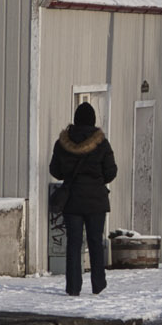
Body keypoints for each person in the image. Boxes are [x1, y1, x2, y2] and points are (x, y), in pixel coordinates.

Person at [50, 101, 117, 297]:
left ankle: (73, 287)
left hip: (72, 200)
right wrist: (97, 181)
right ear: (93, 121)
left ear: (76, 120)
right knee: (95, 242)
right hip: (96, 200)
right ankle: (98, 284)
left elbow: (55, 171)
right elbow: (111, 172)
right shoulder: (102, 143)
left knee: (73, 243)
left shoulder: (62, 144)